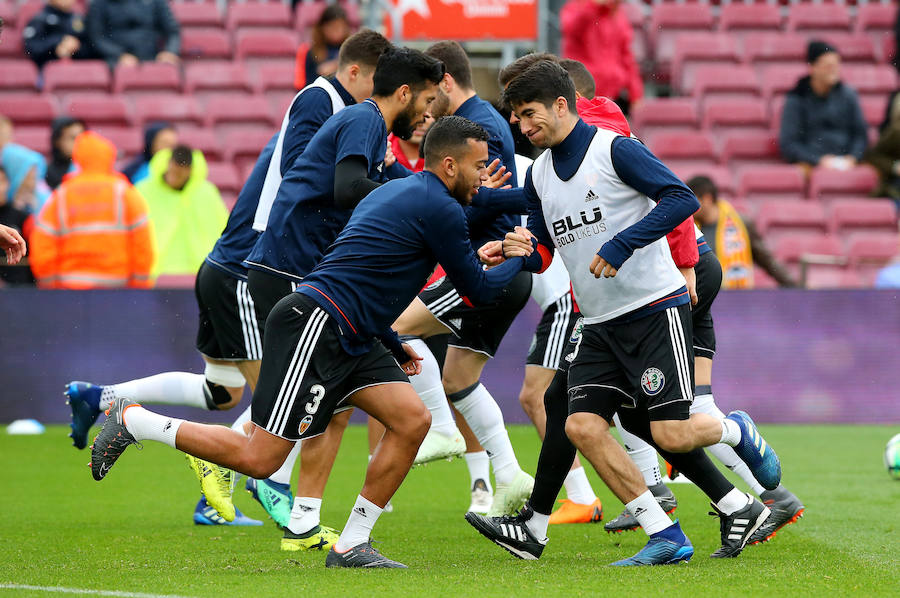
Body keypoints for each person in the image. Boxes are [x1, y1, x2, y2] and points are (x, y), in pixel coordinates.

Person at [88, 115, 532, 569]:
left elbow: (370, 276)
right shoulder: (438, 207)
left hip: (355, 331)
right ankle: (136, 421)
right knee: (259, 459)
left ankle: (352, 543)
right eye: (479, 166)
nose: (484, 177)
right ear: (451, 166)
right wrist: (521, 256)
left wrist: (392, 343)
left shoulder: (404, 193)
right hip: (317, 326)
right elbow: (476, 290)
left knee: (413, 420)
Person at [65, 29, 393, 540]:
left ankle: (102, 397)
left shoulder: (336, 117)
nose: (383, 96)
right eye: (379, 82)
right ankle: (254, 491)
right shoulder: (322, 101)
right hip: (251, 267)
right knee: (291, 400)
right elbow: (303, 176)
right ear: (354, 73)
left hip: (230, 265)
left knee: (223, 392)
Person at [466, 61, 781, 565]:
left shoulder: (614, 149)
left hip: (654, 311)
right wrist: (518, 247)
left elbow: (681, 198)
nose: (522, 128)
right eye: (516, 118)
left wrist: (622, 244)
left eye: (529, 115)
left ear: (561, 105)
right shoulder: (543, 173)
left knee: (670, 434)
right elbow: (547, 248)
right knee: (579, 424)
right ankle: (666, 535)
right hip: (598, 325)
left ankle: (735, 429)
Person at [387, 40, 534, 518]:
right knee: (459, 378)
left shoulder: (477, 129)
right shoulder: (485, 123)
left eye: (430, 97)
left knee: (393, 329)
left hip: (484, 264)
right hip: (503, 266)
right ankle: (510, 477)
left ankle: (441, 431)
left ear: (446, 82)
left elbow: (475, 205)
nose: (426, 110)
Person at [604, 220, 806, 545]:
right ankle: (774, 495)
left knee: (623, 391)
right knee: (694, 403)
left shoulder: (596, 174)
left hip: (672, 275)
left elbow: (677, 199)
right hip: (690, 267)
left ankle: (656, 486)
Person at [29, 131, 154, 288]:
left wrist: (51, 285)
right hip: (118, 290)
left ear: (78, 158)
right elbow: (142, 244)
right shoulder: (124, 193)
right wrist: (138, 286)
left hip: (71, 290)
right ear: (109, 156)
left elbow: (43, 244)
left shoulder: (62, 195)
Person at [687, 175, 798, 289]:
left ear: (707, 198)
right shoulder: (690, 229)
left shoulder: (742, 224)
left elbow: (767, 260)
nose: (687, 206)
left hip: (736, 297)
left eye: (691, 200)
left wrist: (796, 288)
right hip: (703, 298)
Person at [136, 144, 227, 277]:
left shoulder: (207, 194)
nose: (173, 178)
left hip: (198, 273)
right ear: (168, 164)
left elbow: (223, 230)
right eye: (172, 172)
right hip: (154, 274)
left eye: (179, 174)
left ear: (189, 171)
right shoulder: (143, 191)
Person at [779, 41, 868, 173]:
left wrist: (853, 157)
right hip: (811, 164)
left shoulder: (849, 95)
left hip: (846, 162)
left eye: (836, 65)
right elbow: (789, 143)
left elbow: (860, 135)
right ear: (812, 67)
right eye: (827, 66)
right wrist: (818, 160)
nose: (833, 70)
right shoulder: (797, 98)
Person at [559, 0, 642, 114]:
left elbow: (627, 57)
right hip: (582, 97)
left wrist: (635, 94)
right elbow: (571, 29)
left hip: (612, 98)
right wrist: (593, 5)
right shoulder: (575, 8)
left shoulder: (617, 15)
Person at [85, 0, 180, 68]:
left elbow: (172, 31)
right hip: (114, 62)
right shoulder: (99, 3)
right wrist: (119, 55)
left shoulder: (156, 2)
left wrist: (170, 52)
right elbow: (96, 37)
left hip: (151, 59)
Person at [22, 0, 91, 70]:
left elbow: (92, 48)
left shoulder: (79, 20)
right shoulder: (39, 20)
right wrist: (57, 44)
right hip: (45, 70)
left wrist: (76, 47)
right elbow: (32, 49)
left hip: (77, 70)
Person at [301, 4, 353, 87]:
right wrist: (322, 74)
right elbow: (309, 84)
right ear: (322, 28)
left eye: (340, 26)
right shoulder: (313, 52)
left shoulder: (352, 50)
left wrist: (337, 66)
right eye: (333, 27)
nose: (337, 30)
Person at [0, 165, 34, 285]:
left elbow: (35, 252)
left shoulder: (23, 217)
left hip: (19, 290)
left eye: (2, 181)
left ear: (8, 184)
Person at [46, 117, 85, 190]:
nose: (80, 142)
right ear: (57, 141)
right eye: (73, 138)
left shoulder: (93, 171)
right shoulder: (45, 174)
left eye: (83, 137)